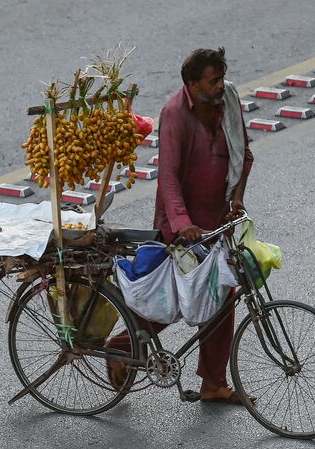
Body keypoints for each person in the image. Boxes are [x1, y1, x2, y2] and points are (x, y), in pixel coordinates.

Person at [108, 48, 253, 404]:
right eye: (213, 80)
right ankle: (121, 346)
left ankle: (213, 383)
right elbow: (168, 177)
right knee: (174, 300)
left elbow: (243, 155)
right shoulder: (175, 114)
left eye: (222, 77)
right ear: (191, 84)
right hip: (181, 225)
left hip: (216, 221)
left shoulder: (227, 102)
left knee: (221, 297)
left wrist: (237, 199)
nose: (221, 85)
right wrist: (183, 223)